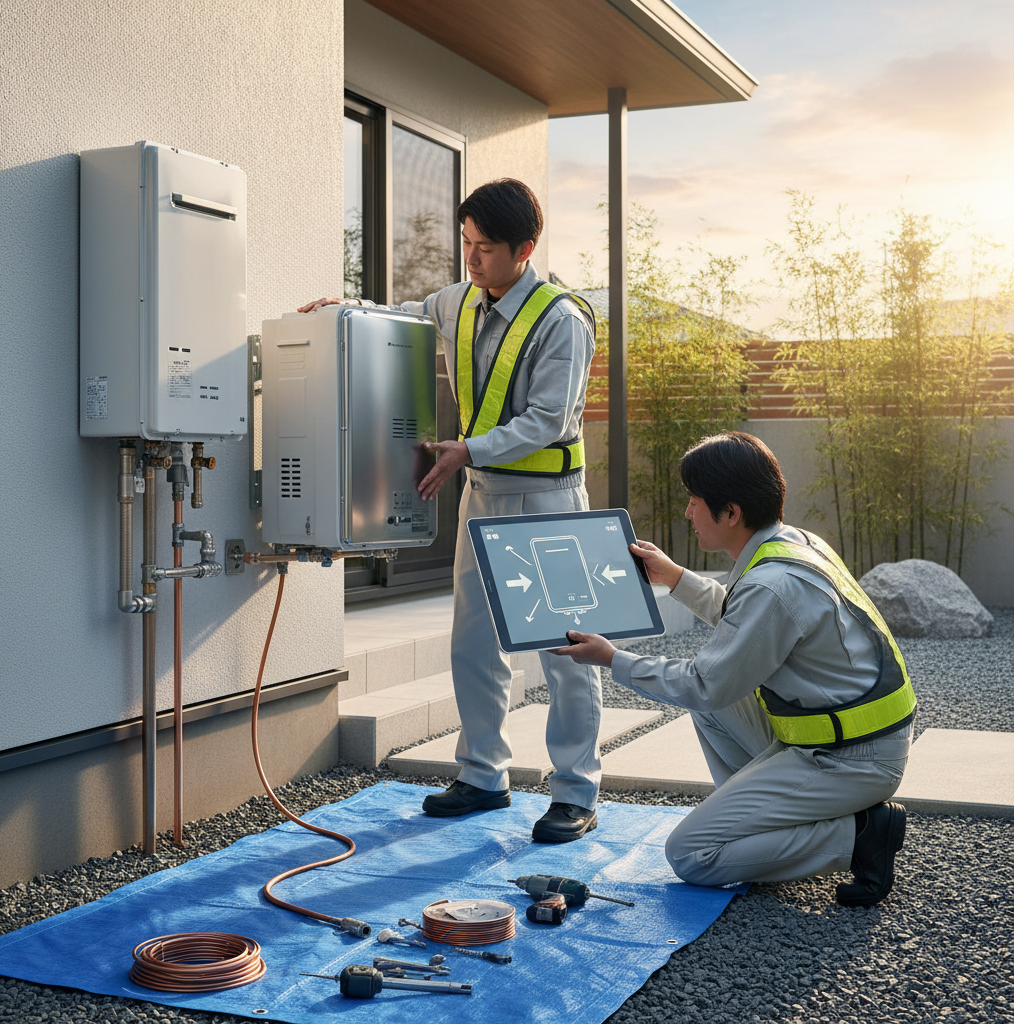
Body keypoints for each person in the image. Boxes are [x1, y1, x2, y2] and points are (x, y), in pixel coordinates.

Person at [299, 178, 603, 842]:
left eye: (485, 248)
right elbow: (406, 312)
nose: (471, 259)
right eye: (465, 244)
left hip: (548, 501)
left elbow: (549, 420)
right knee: (473, 642)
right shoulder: (459, 301)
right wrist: (347, 308)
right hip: (482, 494)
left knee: (565, 652)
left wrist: (467, 448)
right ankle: (482, 776)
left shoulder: (562, 320)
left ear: (525, 249)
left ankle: (577, 792)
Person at [553, 431, 915, 905]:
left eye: (694, 501)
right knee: (713, 708)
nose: (687, 513)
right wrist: (674, 577)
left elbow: (705, 683)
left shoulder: (772, 583)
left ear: (731, 513)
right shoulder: (791, 545)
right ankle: (770, 829)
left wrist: (612, 659)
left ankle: (861, 834)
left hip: (849, 760)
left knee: (692, 854)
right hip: (834, 738)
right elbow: (747, 620)